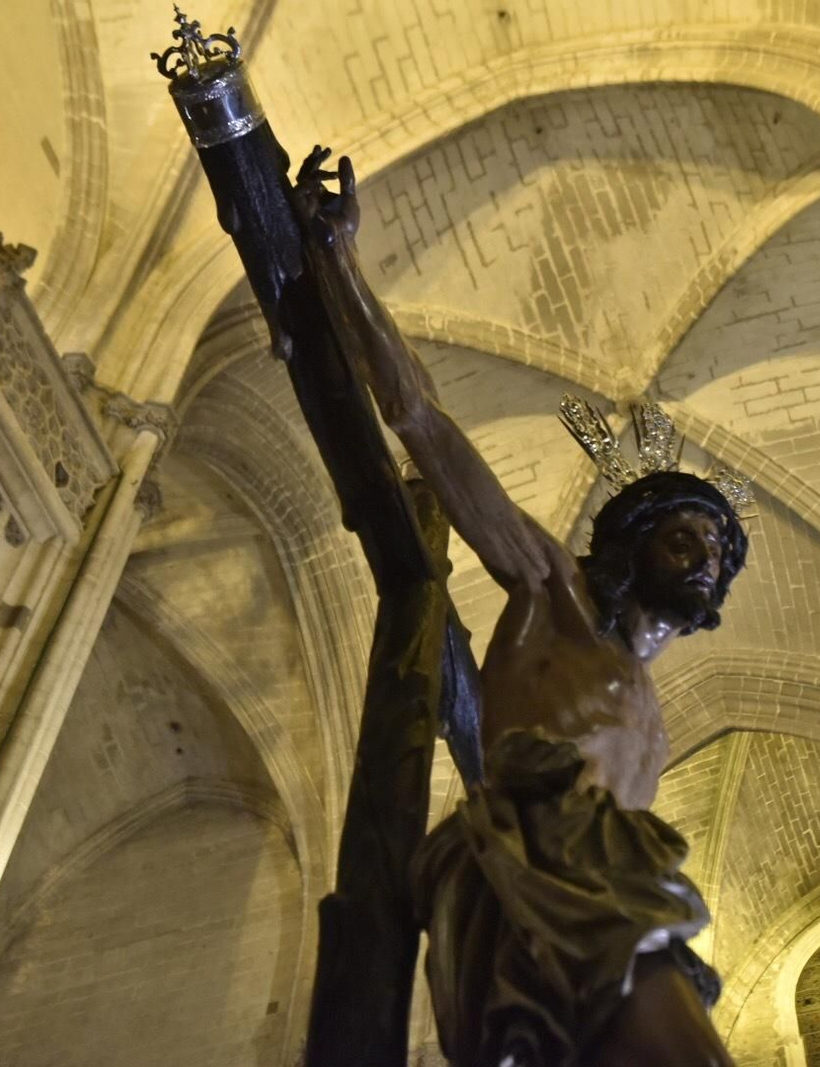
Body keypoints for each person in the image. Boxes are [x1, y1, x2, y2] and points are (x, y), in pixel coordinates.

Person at [291, 146, 747, 1067]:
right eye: (684, 537)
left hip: (603, 887)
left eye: (718, 549)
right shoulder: (555, 594)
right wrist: (338, 259)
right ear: (634, 545)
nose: (703, 557)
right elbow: (416, 412)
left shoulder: (651, 701)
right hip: (546, 867)